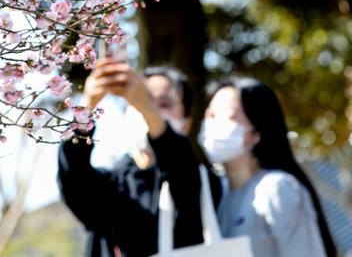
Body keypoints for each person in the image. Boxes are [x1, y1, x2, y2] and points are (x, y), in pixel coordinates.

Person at [58, 60, 211, 257]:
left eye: (164, 104)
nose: (146, 110)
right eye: (137, 101)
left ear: (187, 122)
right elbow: (73, 175)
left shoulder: (200, 181)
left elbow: (182, 172)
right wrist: (87, 107)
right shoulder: (111, 184)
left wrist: (148, 109)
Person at [197, 76, 337, 257]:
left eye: (230, 116)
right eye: (211, 115)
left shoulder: (277, 188)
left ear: (257, 132)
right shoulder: (216, 193)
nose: (213, 125)